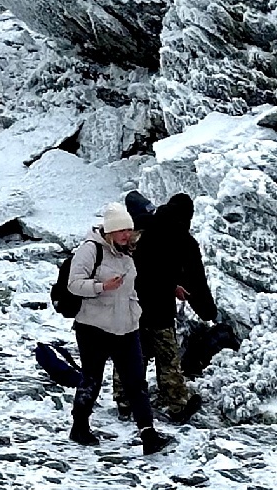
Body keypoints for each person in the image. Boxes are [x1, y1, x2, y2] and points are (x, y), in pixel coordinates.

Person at [64, 201, 171, 454]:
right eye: (122, 230)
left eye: (129, 230)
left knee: (136, 382)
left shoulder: (128, 251)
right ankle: (80, 426)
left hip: (126, 326)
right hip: (94, 327)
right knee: (92, 379)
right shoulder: (90, 250)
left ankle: (149, 436)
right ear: (110, 230)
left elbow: (132, 287)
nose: (127, 234)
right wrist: (102, 287)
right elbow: (73, 284)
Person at [117, 191, 218, 424]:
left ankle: (124, 400)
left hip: (131, 302)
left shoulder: (144, 226)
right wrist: (208, 312)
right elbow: (196, 280)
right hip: (159, 307)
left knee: (132, 352)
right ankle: (177, 404)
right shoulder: (183, 239)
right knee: (167, 357)